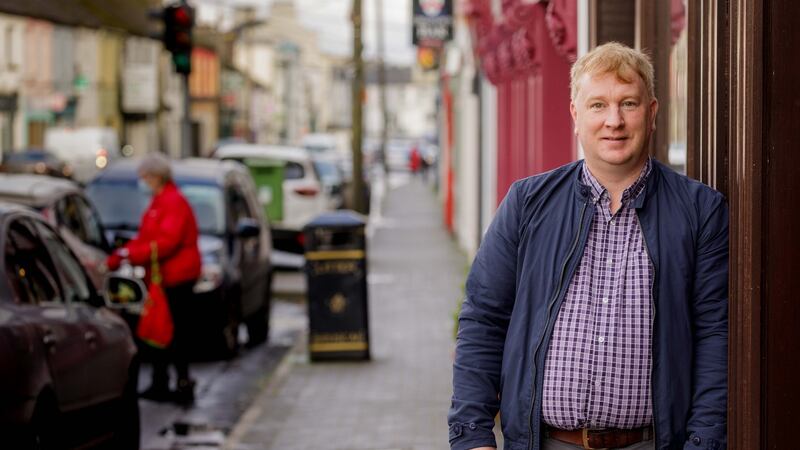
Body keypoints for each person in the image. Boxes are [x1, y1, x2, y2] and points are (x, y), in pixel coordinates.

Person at [448, 42, 728, 450]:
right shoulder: (527, 203)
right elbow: (484, 319)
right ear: (575, 115)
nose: (613, 121)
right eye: (598, 105)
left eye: (627, 104)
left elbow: (715, 339)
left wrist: (704, 443)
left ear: (651, 113)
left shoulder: (700, 211)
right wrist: (472, 436)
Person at [106, 152, 201, 405]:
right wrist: (126, 252)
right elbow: (147, 237)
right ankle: (162, 381)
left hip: (176, 277)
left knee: (172, 331)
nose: (142, 182)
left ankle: (180, 381)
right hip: (161, 277)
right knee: (157, 330)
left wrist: (130, 253)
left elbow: (167, 242)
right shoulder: (160, 202)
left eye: (144, 177)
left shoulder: (172, 202)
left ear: (156, 177)